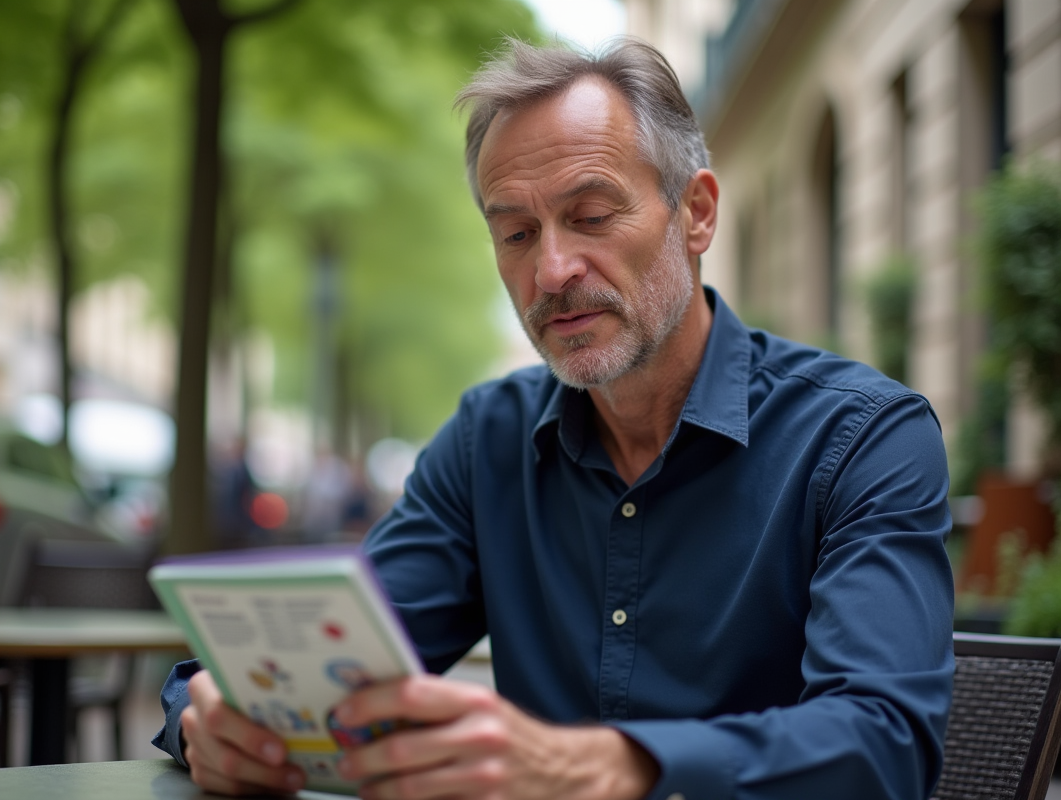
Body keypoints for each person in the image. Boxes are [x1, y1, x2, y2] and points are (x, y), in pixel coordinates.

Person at [154, 37, 954, 800]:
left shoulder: (862, 438)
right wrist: (210, 721)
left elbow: (883, 748)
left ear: (697, 213)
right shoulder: (488, 439)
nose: (551, 270)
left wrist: (603, 769)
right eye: (516, 233)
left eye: (592, 215)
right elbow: (322, 663)